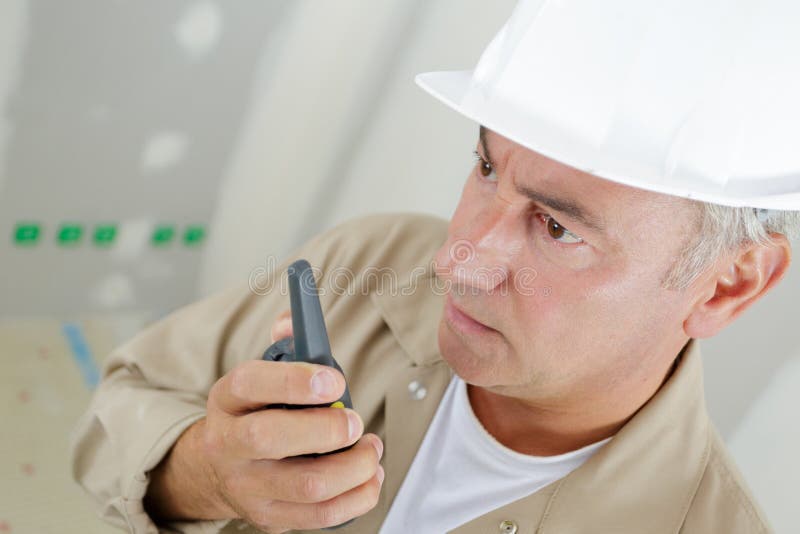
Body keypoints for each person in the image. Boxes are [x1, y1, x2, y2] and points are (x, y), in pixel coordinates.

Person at [71, 0, 800, 532]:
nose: (460, 258)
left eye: (555, 227)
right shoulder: (367, 262)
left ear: (730, 283)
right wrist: (204, 472)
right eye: (485, 166)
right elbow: (117, 410)